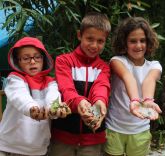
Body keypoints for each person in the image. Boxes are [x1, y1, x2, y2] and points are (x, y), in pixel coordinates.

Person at [48, 12, 111, 156]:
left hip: (93, 140)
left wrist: (100, 102)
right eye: (90, 39)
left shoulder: (104, 67)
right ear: (79, 35)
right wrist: (80, 102)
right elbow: (66, 89)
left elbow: (101, 87)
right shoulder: (63, 61)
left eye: (100, 41)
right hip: (63, 137)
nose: (94, 45)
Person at [104, 17, 162, 156]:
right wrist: (135, 101)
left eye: (142, 40)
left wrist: (148, 100)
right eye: (133, 41)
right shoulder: (117, 61)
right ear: (124, 43)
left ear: (148, 42)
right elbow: (127, 77)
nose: (138, 45)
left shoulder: (154, 65)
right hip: (114, 128)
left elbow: (149, 79)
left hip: (140, 129)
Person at [0, 37, 67, 156]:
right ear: (18, 62)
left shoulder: (50, 82)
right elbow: (19, 96)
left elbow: (53, 97)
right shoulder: (14, 78)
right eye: (26, 58)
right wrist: (32, 108)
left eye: (37, 57)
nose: (32, 61)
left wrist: (54, 108)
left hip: (38, 149)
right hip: (9, 147)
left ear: (44, 59)